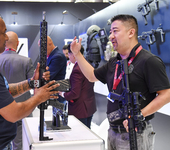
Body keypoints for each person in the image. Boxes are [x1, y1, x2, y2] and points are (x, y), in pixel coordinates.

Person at [70, 14, 170, 150]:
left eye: (115, 31)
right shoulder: (114, 61)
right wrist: (77, 54)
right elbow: (92, 76)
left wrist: (140, 115)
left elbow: (166, 94)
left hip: (136, 133)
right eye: (110, 32)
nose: (111, 36)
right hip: (113, 131)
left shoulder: (149, 61)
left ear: (131, 32)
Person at [0, 11, 59, 150]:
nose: (6, 37)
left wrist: (32, 83)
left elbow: (3, 93)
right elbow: (14, 113)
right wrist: (39, 97)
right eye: (3, 32)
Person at [0, 31, 34, 150]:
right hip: (22, 109)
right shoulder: (26, 61)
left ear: (4, 42)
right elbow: (33, 84)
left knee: (2, 143)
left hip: (1, 110)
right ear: (18, 43)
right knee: (20, 144)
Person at [60, 44, 96, 129]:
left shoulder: (77, 69)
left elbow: (75, 93)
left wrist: (62, 94)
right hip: (89, 106)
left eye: (68, 54)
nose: (68, 56)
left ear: (73, 53)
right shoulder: (88, 64)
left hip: (80, 110)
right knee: (87, 133)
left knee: (81, 136)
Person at [45, 36, 67, 126]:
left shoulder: (57, 56)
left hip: (58, 91)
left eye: (42, 46)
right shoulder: (54, 55)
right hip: (56, 92)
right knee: (56, 118)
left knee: (60, 122)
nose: (40, 50)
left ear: (50, 43)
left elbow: (49, 75)